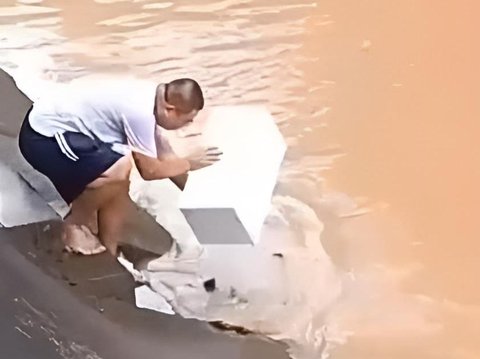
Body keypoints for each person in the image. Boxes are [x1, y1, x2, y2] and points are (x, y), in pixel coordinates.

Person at [18, 77, 221, 256]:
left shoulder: (154, 99)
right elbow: (150, 171)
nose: (188, 126)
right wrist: (189, 162)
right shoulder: (140, 111)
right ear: (170, 110)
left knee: (119, 185)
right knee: (118, 169)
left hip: (76, 136)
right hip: (42, 138)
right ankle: (75, 223)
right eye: (187, 121)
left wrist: (210, 208)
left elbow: (166, 157)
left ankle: (109, 252)